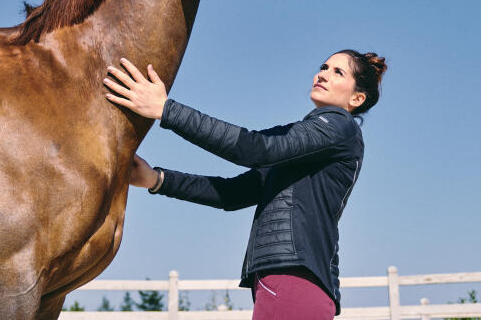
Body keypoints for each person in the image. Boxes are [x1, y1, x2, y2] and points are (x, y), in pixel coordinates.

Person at [103, 49, 387, 319]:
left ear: (357, 99)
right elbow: (233, 193)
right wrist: (157, 180)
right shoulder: (308, 142)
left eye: (338, 72)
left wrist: (166, 110)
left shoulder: (339, 127)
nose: (323, 74)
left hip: (294, 277)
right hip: (285, 279)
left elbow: (255, 149)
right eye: (323, 67)